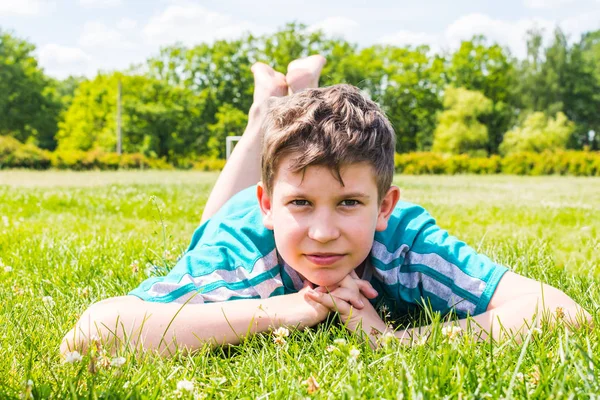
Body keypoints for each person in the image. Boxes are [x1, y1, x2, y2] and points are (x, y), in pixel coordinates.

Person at [60, 55, 590, 356]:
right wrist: (282, 310)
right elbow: (87, 337)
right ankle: (266, 111)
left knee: (300, 173)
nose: (322, 232)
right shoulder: (244, 254)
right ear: (268, 206)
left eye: (351, 202)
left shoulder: (405, 240)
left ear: (385, 207)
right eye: (300, 204)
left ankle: (295, 102)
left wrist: (399, 342)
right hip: (239, 222)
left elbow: (564, 313)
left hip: (293, 205)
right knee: (204, 229)